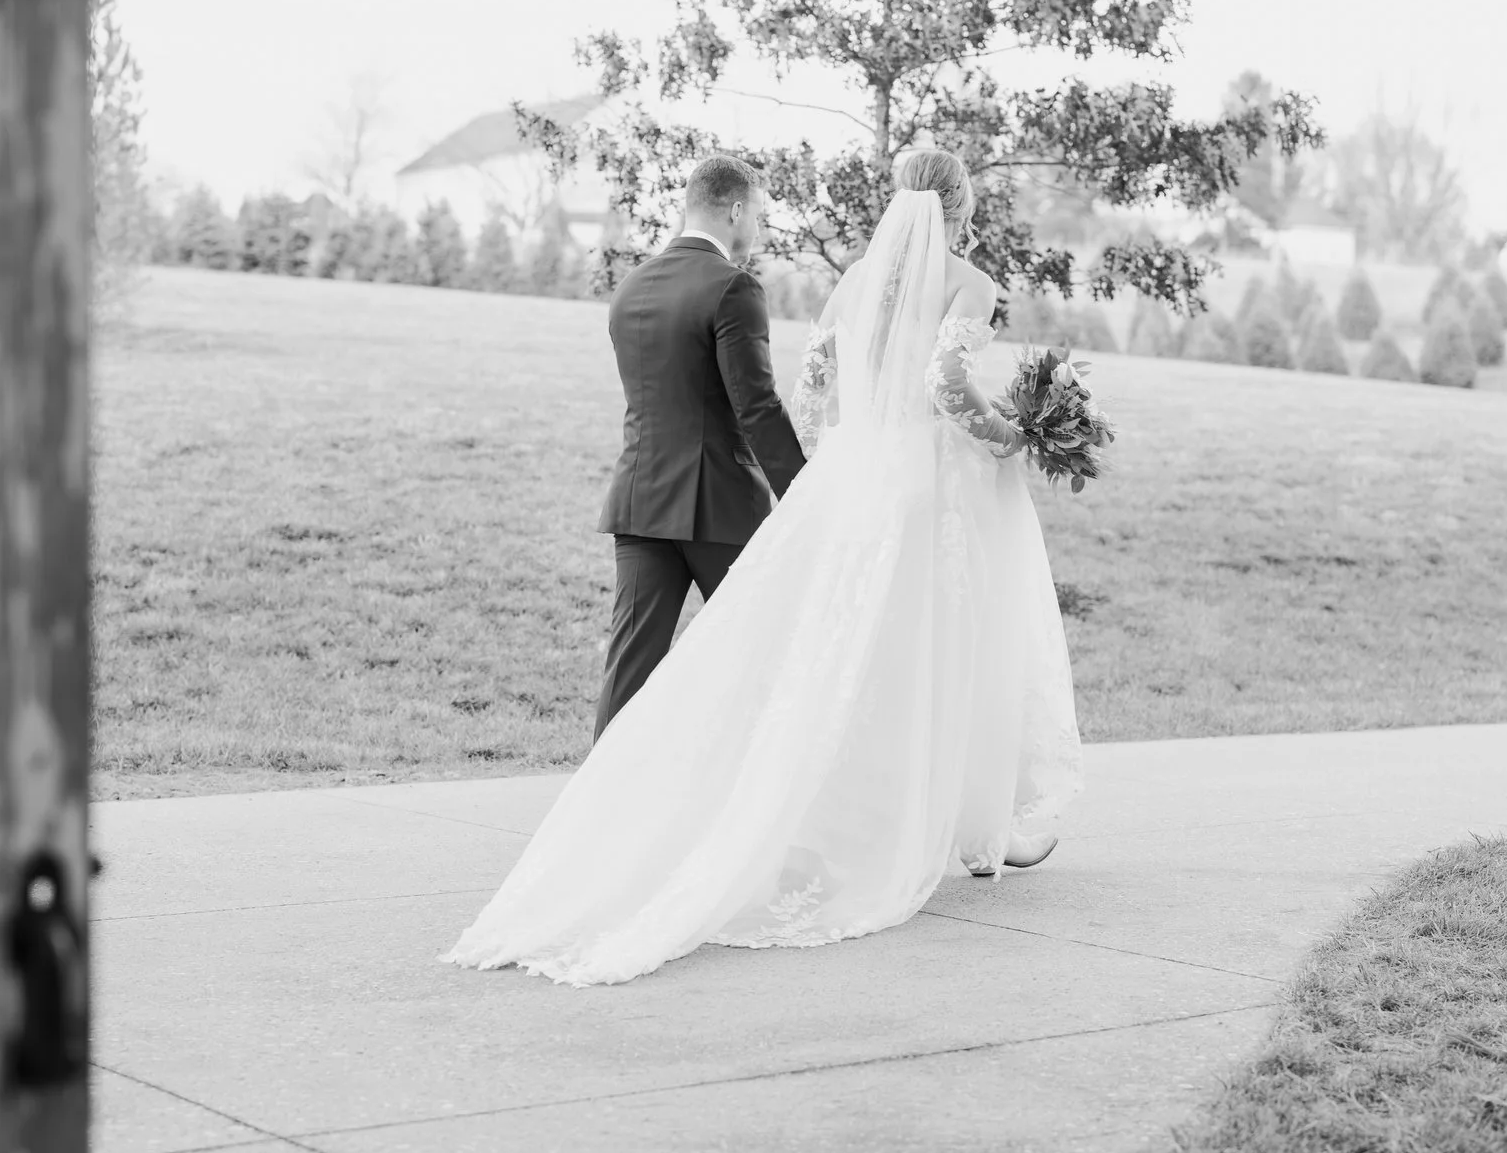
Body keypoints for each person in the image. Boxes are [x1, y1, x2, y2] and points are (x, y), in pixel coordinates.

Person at [446, 148, 1082, 986]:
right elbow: (938, 382)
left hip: (787, 488)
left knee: (817, 658)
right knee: (914, 651)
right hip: (913, 492)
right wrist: (1011, 436)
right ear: (960, 205)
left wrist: (840, 468)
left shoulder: (840, 280)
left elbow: (813, 383)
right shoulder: (963, 280)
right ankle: (939, 825)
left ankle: (643, 817)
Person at [592, 154, 808, 738]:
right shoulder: (733, 287)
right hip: (720, 507)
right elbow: (756, 406)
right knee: (765, 657)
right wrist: (805, 493)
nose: (758, 228)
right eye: (758, 214)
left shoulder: (631, 287)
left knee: (630, 668)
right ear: (736, 209)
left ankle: (602, 811)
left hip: (640, 501)